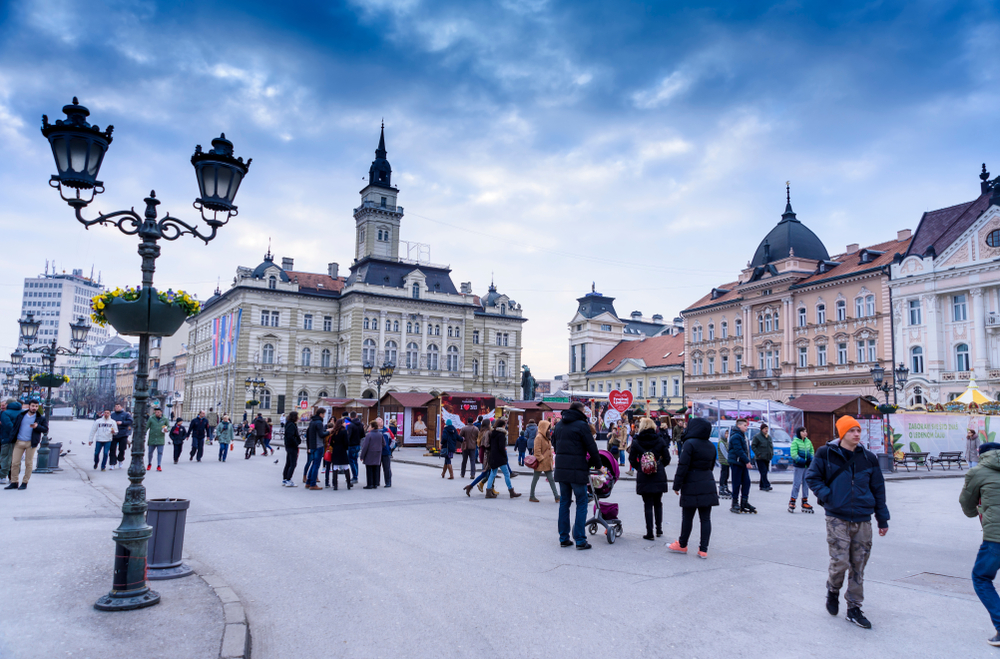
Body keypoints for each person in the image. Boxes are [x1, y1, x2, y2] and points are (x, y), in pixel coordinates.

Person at [806, 415, 889, 630]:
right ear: (842, 433)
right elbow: (812, 477)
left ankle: (854, 608)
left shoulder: (869, 458)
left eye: (858, 430)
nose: (857, 434)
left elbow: (878, 489)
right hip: (837, 517)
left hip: (862, 518)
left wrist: (882, 518)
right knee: (840, 561)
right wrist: (828, 496)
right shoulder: (826, 453)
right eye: (852, 430)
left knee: (858, 565)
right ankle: (833, 590)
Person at [960, 441, 1000, 647]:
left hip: (996, 538)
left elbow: (966, 504)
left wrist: (977, 511)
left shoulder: (977, 472)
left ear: (981, 454)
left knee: (981, 577)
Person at [552, 401, 601, 549]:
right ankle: (580, 539)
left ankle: (564, 538)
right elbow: (591, 447)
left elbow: (554, 444)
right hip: (577, 469)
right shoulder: (582, 425)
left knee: (564, 503)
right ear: (580, 411)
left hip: (561, 469)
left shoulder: (559, 425)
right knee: (581, 501)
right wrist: (596, 465)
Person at [668, 418, 719, 557]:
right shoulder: (710, 445)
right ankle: (703, 549)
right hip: (707, 482)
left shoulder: (689, 444)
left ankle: (682, 544)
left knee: (687, 517)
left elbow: (683, 466)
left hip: (691, 483)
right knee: (706, 519)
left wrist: (677, 485)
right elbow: (711, 465)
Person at [629, 417, 671, 540]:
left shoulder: (636, 441)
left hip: (644, 476)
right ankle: (659, 529)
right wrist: (659, 466)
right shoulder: (660, 440)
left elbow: (631, 459)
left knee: (647, 504)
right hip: (658, 474)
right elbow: (667, 458)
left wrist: (641, 468)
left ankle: (649, 532)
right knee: (658, 503)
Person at [5, 400, 47, 490]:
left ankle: (25, 482)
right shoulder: (21, 415)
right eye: (32, 406)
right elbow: (15, 426)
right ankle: (14, 482)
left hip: (31, 443)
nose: (34, 408)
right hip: (19, 441)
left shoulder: (40, 418)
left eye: (36, 406)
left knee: (28, 463)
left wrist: (37, 427)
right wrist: (12, 437)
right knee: (14, 463)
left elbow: (45, 429)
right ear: (29, 406)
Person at [485, 419, 520, 499]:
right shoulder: (501, 434)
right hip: (500, 457)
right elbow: (501, 447)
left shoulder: (493, 433)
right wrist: (504, 455)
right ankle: (511, 491)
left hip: (493, 456)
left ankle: (488, 491)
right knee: (507, 474)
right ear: (502, 426)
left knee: (492, 474)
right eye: (505, 425)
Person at [727, 418, 755, 514]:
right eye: (745, 425)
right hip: (737, 462)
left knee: (746, 482)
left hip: (742, 462)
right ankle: (734, 503)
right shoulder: (735, 436)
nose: (746, 427)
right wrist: (747, 461)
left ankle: (744, 502)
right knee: (736, 483)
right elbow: (739, 450)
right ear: (739, 426)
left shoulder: (742, 436)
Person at [529, 420, 559, 503]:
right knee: (535, 479)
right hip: (540, 463)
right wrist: (542, 459)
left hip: (547, 462)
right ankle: (532, 495)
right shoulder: (539, 437)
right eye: (547, 428)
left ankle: (556, 496)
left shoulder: (546, 437)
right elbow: (537, 452)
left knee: (551, 480)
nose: (549, 430)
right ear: (543, 428)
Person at [464, 419, 494, 496]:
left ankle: (490, 489)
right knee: (485, 474)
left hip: (483, 453)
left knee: (488, 473)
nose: (491, 424)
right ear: (488, 424)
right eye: (490, 423)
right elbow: (486, 444)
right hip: (486, 455)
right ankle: (471, 486)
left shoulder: (482, 432)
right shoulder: (487, 432)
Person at [789, 427, 815, 513]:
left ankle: (805, 501)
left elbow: (812, 451)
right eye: (803, 431)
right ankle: (792, 500)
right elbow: (794, 454)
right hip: (799, 466)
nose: (805, 433)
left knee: (806, 484)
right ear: (799, 433)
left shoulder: (808, 441)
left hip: (807, 466)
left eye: (805, 431)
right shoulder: (795, 442)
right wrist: (802, 461)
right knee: (797, 483)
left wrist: (811, 460)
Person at [304, 408, 329, 490]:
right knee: (316, 465)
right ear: (320, 414)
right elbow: (321, 434)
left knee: (313, 464)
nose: (324, 416)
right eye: (324, 414)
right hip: (318, 446)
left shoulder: (312, 422)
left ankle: (308, 482)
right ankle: (313, 484)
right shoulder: (319, 422)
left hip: (312, 445)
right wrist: (329, 432)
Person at [0, 399, 22, 484]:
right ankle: (13, 477)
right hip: (20, 439)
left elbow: (8, 426)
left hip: (7, 439)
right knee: (17, 459)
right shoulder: (22, 412)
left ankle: (2, 477)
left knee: (5, 457)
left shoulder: (6, 413)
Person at [326, 418, 351, 490]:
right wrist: (345, 448)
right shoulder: (344, 432)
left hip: (335, 450)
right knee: (345, 466)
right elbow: (346, 442)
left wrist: (334, 446)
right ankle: (348, 484)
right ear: (341, 424)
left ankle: (335, 485)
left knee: (335, 467)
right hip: (342, 450)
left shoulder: (334, 431)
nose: (345, 423)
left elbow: (330, 442)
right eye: (344, 422)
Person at [109, 403, 133, 471]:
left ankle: (120, 459)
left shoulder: (126, 414)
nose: (117, 407)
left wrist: (122, 422)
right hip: (114, 434)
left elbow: (130, 421)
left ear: (121, 407)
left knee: (122, 449)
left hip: (123, 434)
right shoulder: (112, 414)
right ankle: (112, 463)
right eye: (116, 406)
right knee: (112, 449)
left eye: (118, 406)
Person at [360, 421, 383, 489]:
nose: (369, 427)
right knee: (376, 469)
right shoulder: (380, 434)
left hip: (370, 453)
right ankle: (375, 483)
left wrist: (362, 456)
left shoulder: (369, 435)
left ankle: (369, 484)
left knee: (369, 469)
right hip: (378, 453)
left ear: (372, 427)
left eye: (370, 426)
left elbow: (365, 446)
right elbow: (383, 443)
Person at [751, 423, 774, 491]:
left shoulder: (768, 437)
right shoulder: (757, 437)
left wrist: (771, 454)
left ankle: (762, 485)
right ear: (761, 429)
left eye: (767, 428)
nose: (766, 430)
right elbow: (753, 446)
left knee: (765, 472)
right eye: (765, 429)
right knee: (763, 471)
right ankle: (766, 485)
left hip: (767, 457)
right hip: (760, 457)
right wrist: (758, 453)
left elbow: (770, 447)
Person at [282, 411, 301, 487]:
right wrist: (296, 442)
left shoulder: (289, 424)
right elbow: (291, 436)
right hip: (292, 446)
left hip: (288, 445)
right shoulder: (291, 425)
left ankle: (285, 478)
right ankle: (288, 479)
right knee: (293, 463)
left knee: (288, 462)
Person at [348, 412, 363, 484]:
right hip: (358, 444)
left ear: (350, 417)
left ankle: (355, 476)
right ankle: (356, 475)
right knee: (355, 460)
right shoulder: (360, 424)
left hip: (351, 445)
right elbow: (363, 435)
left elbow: (349, 436)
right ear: (356, 416)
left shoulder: (351, 425)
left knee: (351, 461)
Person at [379, 418, 394, 487]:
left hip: (386, 452)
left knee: (387, 468)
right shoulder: (374, 430)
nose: (380, 423)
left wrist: (389, 448)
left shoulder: (387, 430)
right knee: (376, 468)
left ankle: (388, 482)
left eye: (381, 421)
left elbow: (393, 440)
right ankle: (376, 482)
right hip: (377, 453)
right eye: (378, 422)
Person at [717, 429, 731, 499]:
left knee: (727, 475)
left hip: (727, 462)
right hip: (724, 461)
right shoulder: (721, 442)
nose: (727, 435)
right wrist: (729, 459)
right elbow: (724, 452)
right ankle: (721, 488)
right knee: (724, 474)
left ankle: (725, 487)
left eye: (727, 434)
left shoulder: (726, 442)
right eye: (725, 434)